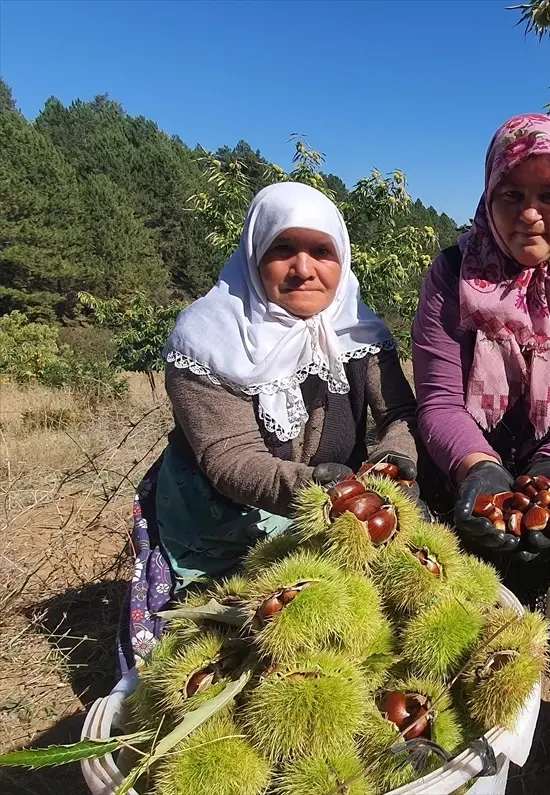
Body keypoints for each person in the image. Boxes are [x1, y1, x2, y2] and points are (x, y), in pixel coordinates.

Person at [119, 182, 419, 673]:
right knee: (224, 652)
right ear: (255, 254)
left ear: (341, 259)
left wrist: (396, 456)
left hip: (326, 507)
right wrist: (317, 488)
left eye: (322, 251)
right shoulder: (207, 339)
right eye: (284, 249)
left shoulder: (359, 332)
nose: (304, 268)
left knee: (327, 640)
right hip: (221, 518)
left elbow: (399, 414)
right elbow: (229, 457)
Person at [411, 113, 550, 588]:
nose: (529, 214)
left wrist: (548, 475)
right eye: (511, 195)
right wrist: (479, 468)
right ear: (488, 196)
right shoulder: (451, 275)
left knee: (545, 633)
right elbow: (439, 401)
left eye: (549, 196)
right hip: (460, 487)